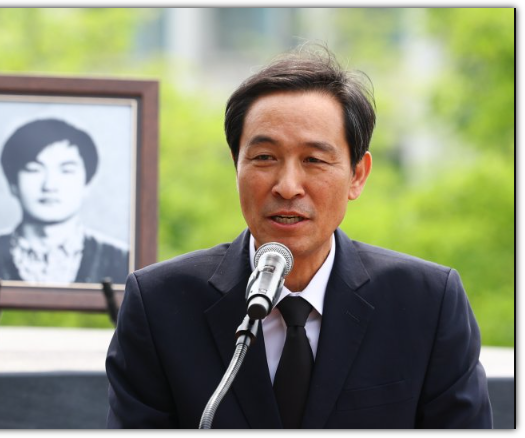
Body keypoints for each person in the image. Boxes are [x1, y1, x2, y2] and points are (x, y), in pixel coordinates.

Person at [105, 47, 493, 428]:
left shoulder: (427, 303)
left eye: (314, 160)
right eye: (264, 158)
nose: (288, 186)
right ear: (236, 165)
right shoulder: (159, 304)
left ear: (357, 175)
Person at [0, 118, 129, 286]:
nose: (49, 185)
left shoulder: (123, 259)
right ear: (12, 183)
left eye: (66, 170)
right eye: (34, 169)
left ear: (87, 184)